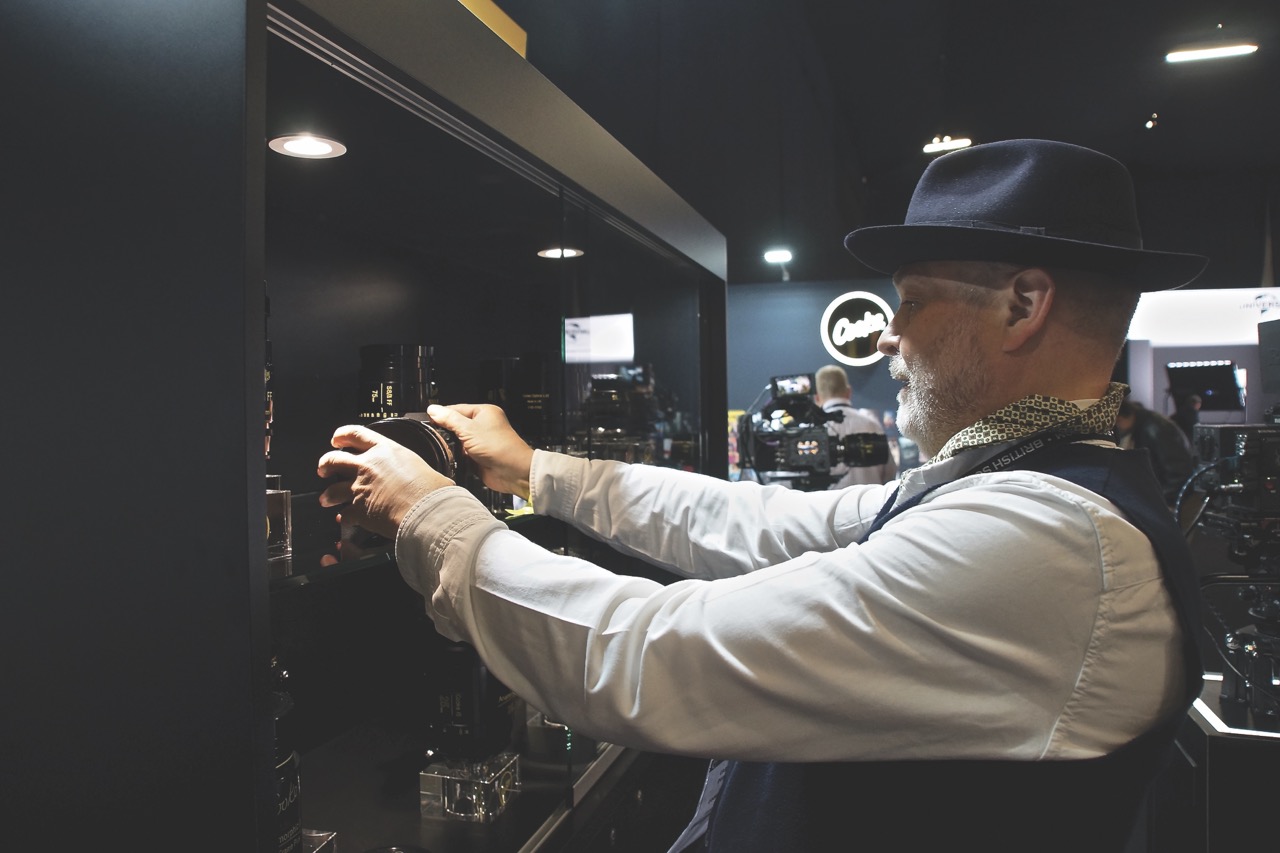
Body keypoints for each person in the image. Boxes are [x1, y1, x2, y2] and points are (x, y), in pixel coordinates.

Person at [317, 139, 1208, 852]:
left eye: (912, 302)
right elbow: (766, 523)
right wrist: (533, 471)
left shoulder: (1052, 540)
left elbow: (658, 656)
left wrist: (428, 513)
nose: (888, 336)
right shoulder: (1022, 485)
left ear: (1024, 305)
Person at [813, 363, 897, 486]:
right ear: (849, 391)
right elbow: (890, 474)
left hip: (827, 505)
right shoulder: (873, 426)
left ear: (817, 398)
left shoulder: (811, 431)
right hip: (873, 504)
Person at [1115, 397, 1197, 506]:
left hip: (1169, 504)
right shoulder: (1142, 425)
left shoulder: (1156, 429)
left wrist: (1155, 504)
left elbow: (1180, 474)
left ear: (1120, 418)